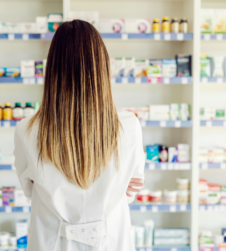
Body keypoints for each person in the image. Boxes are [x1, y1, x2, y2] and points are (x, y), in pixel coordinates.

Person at [13, 19, 145, 251]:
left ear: (52, 68)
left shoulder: (27, 130)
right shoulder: (129, 126)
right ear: (101, 67)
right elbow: (131, 187)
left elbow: (30, 189)